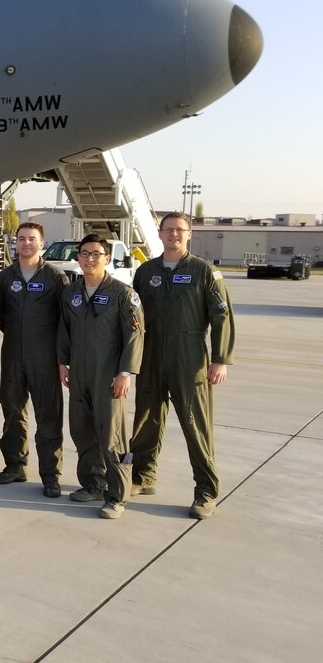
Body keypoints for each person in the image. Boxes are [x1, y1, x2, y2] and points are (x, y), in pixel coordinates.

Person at [130, 212, 234, 520]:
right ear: (160, 234)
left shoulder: (205, 272)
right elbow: (133, 316)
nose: (174, 234)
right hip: (150, 355)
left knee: (195, 423)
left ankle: (206, 491)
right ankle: (143, 476)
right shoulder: (146, 272)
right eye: (168, 229)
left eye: (180, 230)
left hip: (189, 357)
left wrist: (220, 359)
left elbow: (222, 316)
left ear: (189, 234)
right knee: (146, 418)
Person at [57, 235, 144, 519]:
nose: (89, 259)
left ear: (107, 258)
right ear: (78, 257)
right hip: (79, 371)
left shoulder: (122, 293)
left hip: (108, 373)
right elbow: (64, 330)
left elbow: (134, 335)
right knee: (82, 430)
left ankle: (118, 495)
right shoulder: (71, 293)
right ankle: (93, 484)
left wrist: (125, 373)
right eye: (84, 253)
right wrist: (62, 363)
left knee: (112, 436)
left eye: (96, 254)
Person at [0, 221, 70, 497]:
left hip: (45, 357)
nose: (26, 243)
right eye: (21, 238)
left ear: (42, 243)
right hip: (13, 353)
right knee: (12, 411)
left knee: (48, 415)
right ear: (15, 242)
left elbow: (64, 319)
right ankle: (15, 465)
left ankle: (51, 475)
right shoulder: (5, 278)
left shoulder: (56, 277)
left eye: (32, 238)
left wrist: (60, 357)